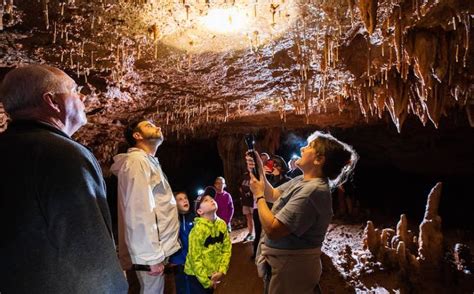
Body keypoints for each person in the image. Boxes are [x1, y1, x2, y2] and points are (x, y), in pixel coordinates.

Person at [0, 64, 127, 293]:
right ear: (52, 102)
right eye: (73, 89)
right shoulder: (63, 154)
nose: (82, 98)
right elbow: (88, 247)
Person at [246, 131, 358, 294]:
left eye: (309, 146)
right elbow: (273, 194)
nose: (303, 148)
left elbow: (272, 229)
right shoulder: (302, 180)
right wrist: (259, 168)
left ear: (319, 159)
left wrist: (258, 196)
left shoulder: (313, 192)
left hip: (292, 271)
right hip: (285, 266)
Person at [110, 119, 180, 294]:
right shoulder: (136, 162)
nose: (158, 127)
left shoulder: (148, 162)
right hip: (147, 257)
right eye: (149, 126)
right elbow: (139, 211)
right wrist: (151, 258)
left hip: (154, 252)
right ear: (137, 135)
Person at [185, 187, 232, 293]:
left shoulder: (222, 224)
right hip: (196, 275)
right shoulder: (197, 230)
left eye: (212, 198)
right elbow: (195, 259)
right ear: (200, 211)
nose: (211, 200)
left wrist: (221, 270)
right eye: (206, 200)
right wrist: (207, 282)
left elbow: (227, 248)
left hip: (213, 272)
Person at [168, 192, 196, 294]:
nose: (185, 200)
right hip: (179, 263)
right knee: (183, 289)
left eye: (185, 198)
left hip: (194, 263)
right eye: (180, 199)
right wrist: (172, 259)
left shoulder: (195, 218)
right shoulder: (172, 221)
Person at [239, 171, 255, 242]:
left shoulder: (253, 176)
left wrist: (249, 193)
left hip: (252, 202)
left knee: (254, 218)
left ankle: (256, 234)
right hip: (245, 202)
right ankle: (251, 233)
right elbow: (240, 187)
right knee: (248, 218)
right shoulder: (243, 178)